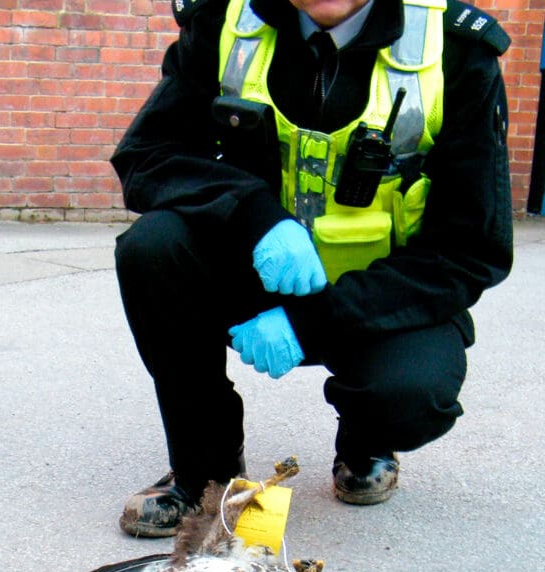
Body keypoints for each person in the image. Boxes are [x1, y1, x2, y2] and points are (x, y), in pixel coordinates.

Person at [110, 0, 513, 537]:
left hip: (381, 299)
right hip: (255, 276)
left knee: (410, 393)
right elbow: (148, 154)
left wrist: (314, 322)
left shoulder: (455, 47)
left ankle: (365, 443)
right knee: (152, 248)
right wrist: (251, 213)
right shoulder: (222, 25)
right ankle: (206, 475)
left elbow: (472, 247)